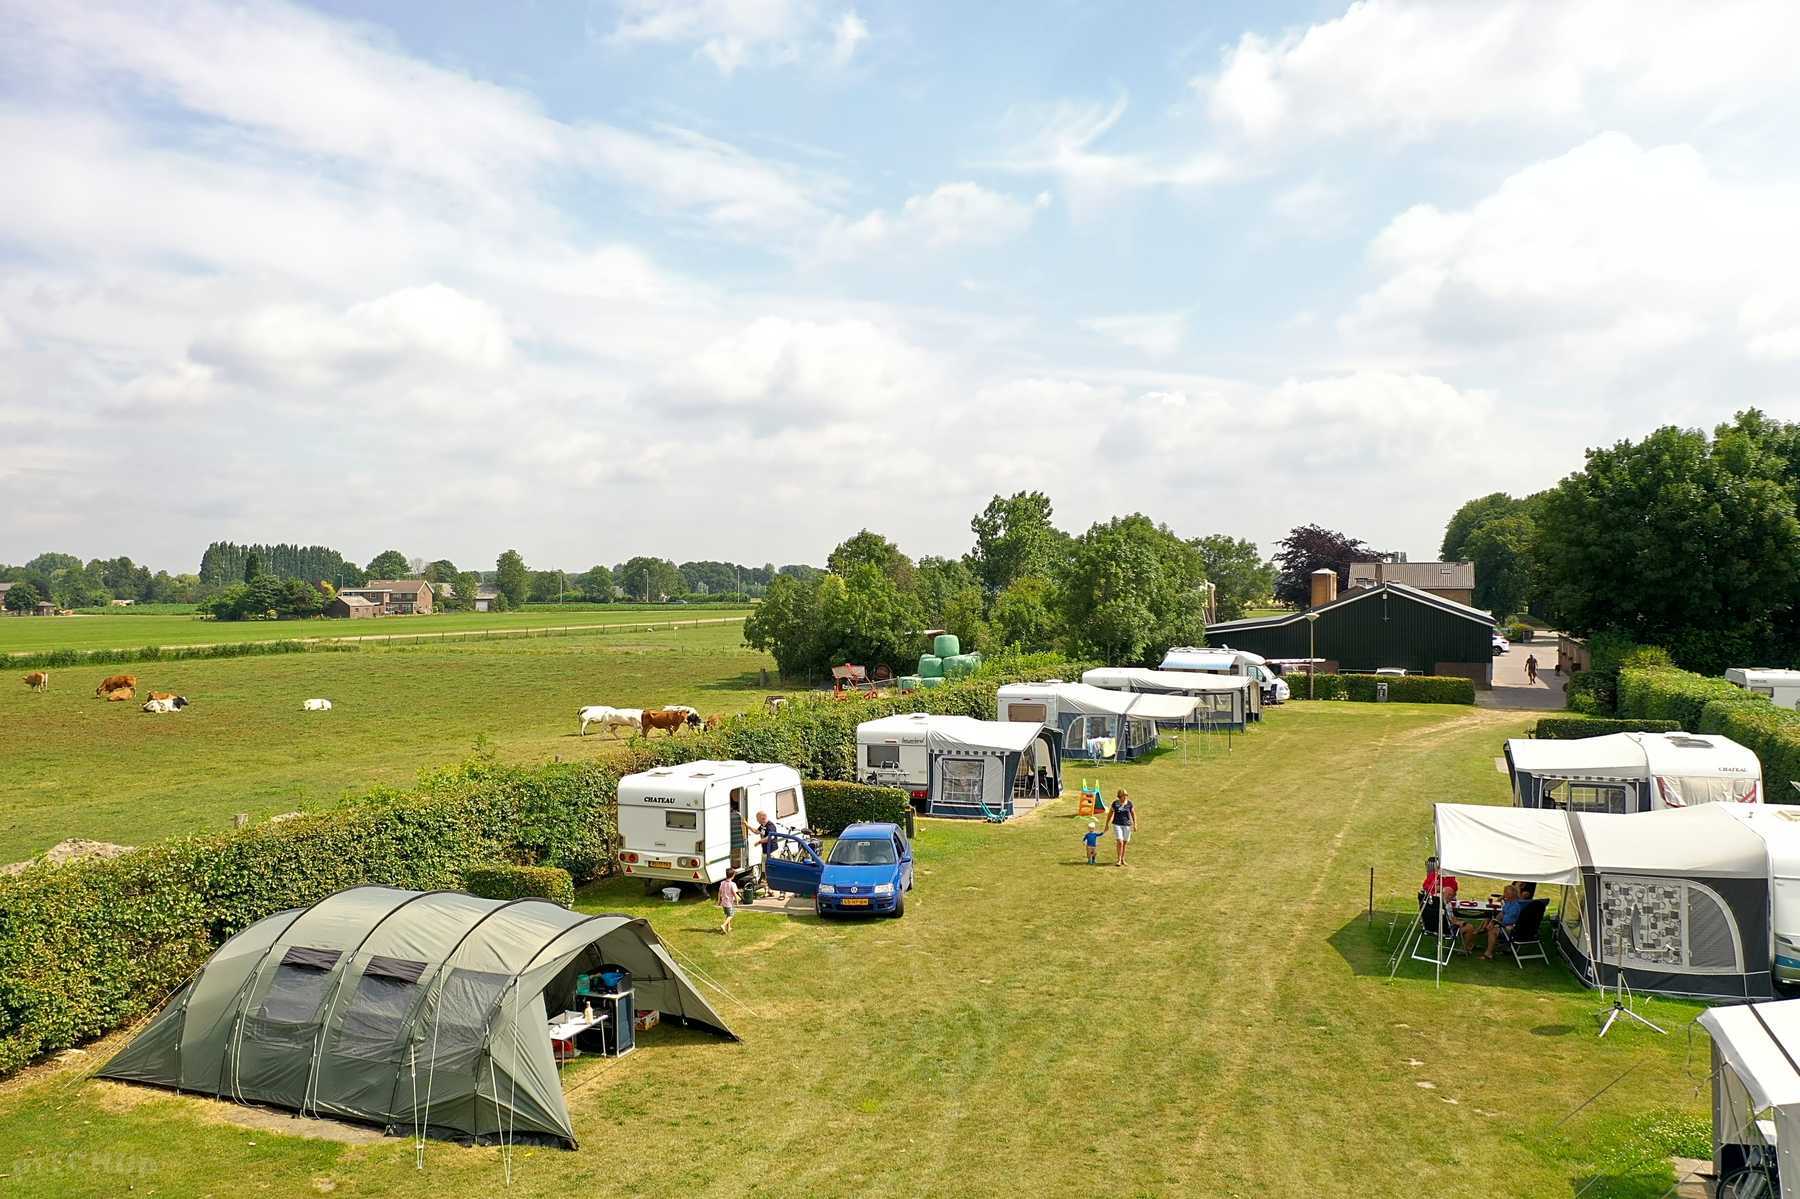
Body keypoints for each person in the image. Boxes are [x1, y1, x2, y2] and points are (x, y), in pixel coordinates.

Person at [1474, 884, 1525, 959]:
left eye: (1506, 893)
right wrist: (1493, 921)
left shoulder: (1516, 906)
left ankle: (1488, 953)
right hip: (1506, 926)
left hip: (1512, 929)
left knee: (1492, 930)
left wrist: (1496, 924)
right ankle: (1502, 947)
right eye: (1505, 892)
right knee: (1491, 925)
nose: (1504, 894)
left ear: (1513, 894)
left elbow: (1507, 921)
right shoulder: (1509, 902)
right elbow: (1502, 913)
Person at [1110, 789, 1136, 866]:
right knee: (1120, 841)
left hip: (1127, 825)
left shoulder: (1129, 804)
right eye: (1123, 796)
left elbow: (1133, 813)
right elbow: (1110, 813)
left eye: (1126, 795)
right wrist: (1107, 823)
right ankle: (1118, 859)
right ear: (1119, 796)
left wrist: (1135, 824)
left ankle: (1122, 859)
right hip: (1117, 824)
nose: (1125, 797)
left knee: (1124, 843)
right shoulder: (1115, 804)